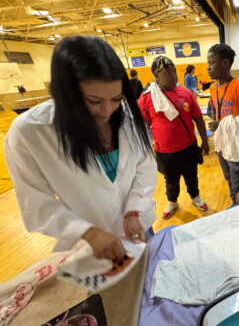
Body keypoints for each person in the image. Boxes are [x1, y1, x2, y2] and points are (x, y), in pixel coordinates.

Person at [5, 36, 157, 261]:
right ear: (66, 94)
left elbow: (145, 167)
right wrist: (88, 233)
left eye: (116, 98)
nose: (107, 111)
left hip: (138, 227)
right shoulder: (31, 132)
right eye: (94, 101)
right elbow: (35, 203)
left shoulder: (127, 118)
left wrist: (135, 209)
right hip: (90, 244)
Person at [139, 56, 209, 219]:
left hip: (189, 146)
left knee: (192, 176)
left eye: (173, 71)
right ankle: (172, 202)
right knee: (170, 180)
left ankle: (195, 197)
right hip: (165, 151)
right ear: (156, 76)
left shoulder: (185, 93)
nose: (172, 75)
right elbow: (142, 126)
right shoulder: (147, 98)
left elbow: (198, 118)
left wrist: (205, 141)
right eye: (166, 72)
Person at [207, 43, 239, 205]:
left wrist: (221, 123)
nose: (208, 68)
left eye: (211, 63)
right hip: (221, 141)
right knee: (228, 178)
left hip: (235, 142)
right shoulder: (212, 88)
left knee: (237, 183)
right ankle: (235, 204)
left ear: (225, 63)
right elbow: (215, 110)